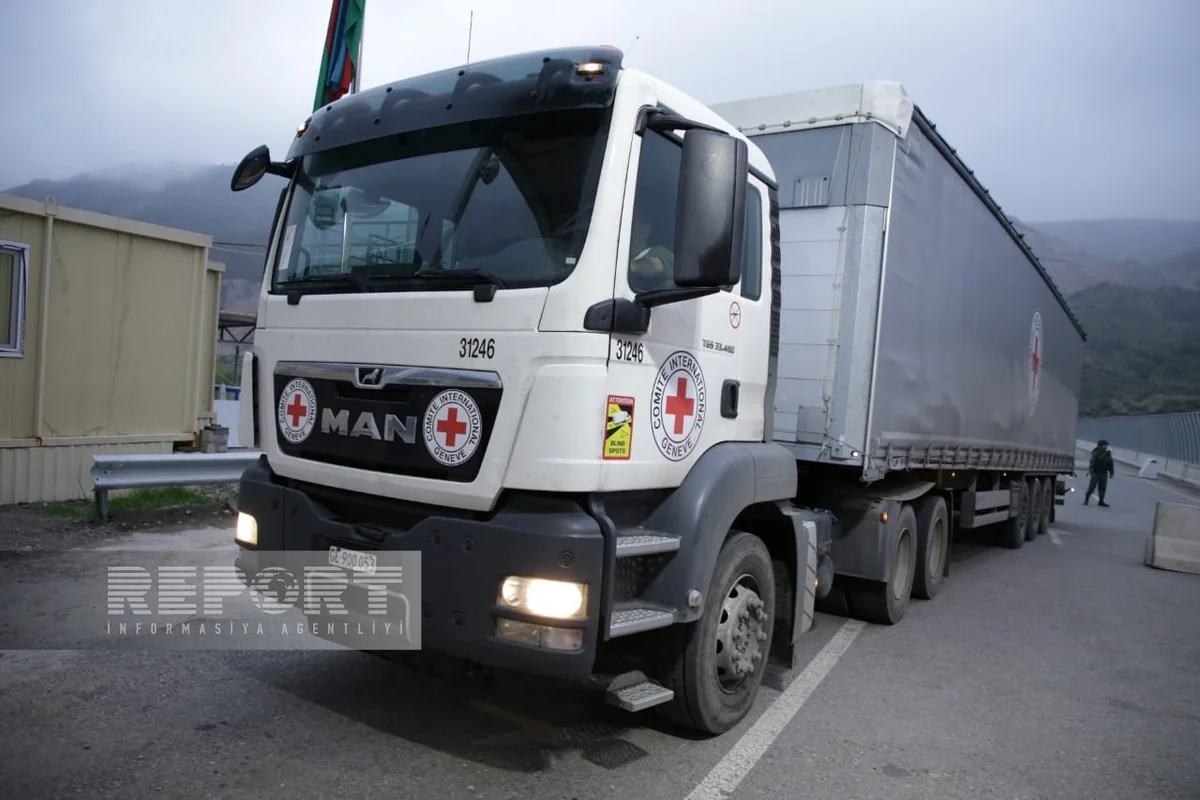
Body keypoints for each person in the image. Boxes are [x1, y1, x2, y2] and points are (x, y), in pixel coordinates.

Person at [628, 212, 675, 292]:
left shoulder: (659, 251)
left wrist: (629, 266)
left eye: (633, 222)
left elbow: (655, 265)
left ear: (646, 229)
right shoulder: (623, 256)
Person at [1084, 439, 1115, 507]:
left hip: (1104, 473)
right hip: (1096, 472)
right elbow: (1092, 463)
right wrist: (1092, 472)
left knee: (1102, 487)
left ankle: (1101, 501)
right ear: (1101, 445)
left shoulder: (1107, 454)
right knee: (1092, 487)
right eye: (1105, 445)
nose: (1106, 446)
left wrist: (1111, 473)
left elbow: (1110, 463)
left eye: (1106, 445)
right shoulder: (1096, 453)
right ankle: (1086, 500)